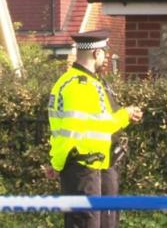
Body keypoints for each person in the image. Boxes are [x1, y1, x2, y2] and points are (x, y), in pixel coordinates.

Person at [46, 30, 143, 227]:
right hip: (83, 169)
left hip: (84, 168)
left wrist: (56, 163)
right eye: (104, 52)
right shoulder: (84, 86)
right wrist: (125, 114)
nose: (105, 57)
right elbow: (97, 126)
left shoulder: (67, 81)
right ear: (95, 53)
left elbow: (63, 131)